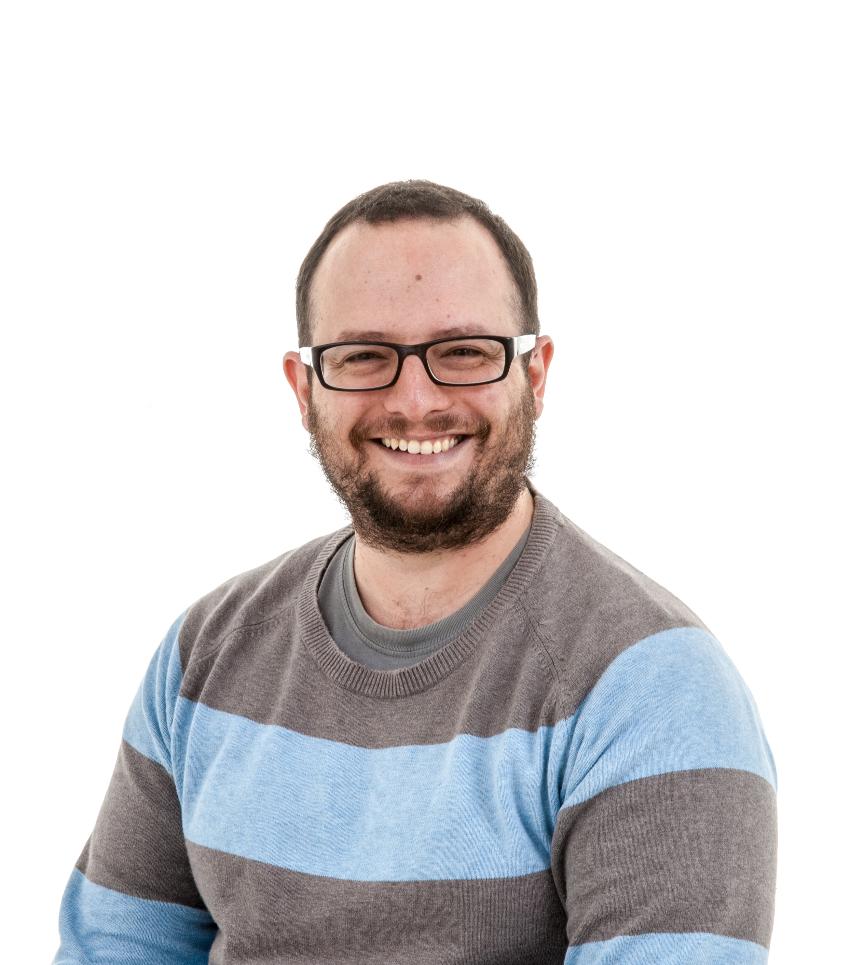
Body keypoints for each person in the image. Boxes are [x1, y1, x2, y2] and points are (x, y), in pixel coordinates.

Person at [53, 180, 778, 963]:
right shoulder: (205, 655)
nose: (416, 399)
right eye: (364, 356)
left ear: (535, 375)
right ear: (304, 388)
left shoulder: (652, 688)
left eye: (463, 351)